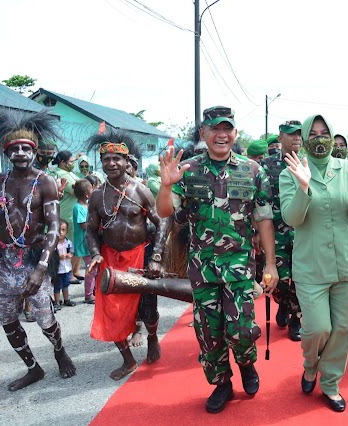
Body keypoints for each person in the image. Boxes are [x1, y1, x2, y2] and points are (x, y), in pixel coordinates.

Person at [157, 105, 279, 414]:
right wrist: (166, 184)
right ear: (204, 134)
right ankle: (222, 382)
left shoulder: (252, 170)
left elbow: (264, 219)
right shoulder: (188, 170)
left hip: (239, 266)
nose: (221, 134)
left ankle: (247, 364)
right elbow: (164, 212)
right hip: (202, 268)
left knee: (240, 328)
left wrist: (270, 264)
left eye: (227, 128)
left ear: (235, 133)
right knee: (208, 332)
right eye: (214, 129)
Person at [0, 108, 76, 391]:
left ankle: (59, 351)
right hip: (3, 259)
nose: (21, 153)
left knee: (45, 318)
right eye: (14, 149)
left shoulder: (45, 182)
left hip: (33, 258)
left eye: (26, 148)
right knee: (7, 318)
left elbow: (53, 227)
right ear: (7, 152)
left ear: (34, 150)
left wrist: (41, 268)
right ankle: (32, 368)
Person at [279, 114, 348, 413]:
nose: (320, 138)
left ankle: (331, 384)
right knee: (317, 328)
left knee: (342, 329)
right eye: (314, 133)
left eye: (325, 133)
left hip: (347, 263)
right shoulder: (292, 171)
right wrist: (303, 186)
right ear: (305, 137)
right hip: (312, 267)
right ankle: (311, 365)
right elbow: (292, 218)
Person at [86, 129, 165, 380]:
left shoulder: (140, 190)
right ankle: (128, 360)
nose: (110, 163)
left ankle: (152, 336)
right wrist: (96, 253)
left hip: (140, 256)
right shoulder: (97, 195)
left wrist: (156, 256)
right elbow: (89, 229)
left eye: (116, 159)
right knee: (112, 314)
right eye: (106, 159)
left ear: (126, 161)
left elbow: (161, 222)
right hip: (110, 260)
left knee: (148, 309)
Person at [261, 120, 303, 341]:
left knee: (300, 278)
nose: (296, 137)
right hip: (276, 233)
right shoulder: (266, 166)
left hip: (302, 233)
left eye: (299, 134)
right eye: (291, 134)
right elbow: (260, 200)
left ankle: (296, 318)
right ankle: (283, 303)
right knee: (277, 280)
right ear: (280, 138)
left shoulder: (309, 164)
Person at [52, 150, 81, 284]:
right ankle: (69, 274)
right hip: (67, 215)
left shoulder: (68, 173)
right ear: (62, 162)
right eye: (70, 161)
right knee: (71, 245)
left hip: (73, 213)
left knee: (78, 243)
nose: (72, 164)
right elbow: (78, 191)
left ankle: (75, 271)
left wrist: (76, 158)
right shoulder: (61, 175)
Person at [72, 179, 95, 304]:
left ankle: (93, 290)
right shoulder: (78, 207)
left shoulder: (86, 205)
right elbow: (84, 225)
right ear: (86, 194)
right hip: (85, 243)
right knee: (90, 269)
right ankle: (88, 295)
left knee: (94, 268)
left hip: (89, 242)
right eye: (91, 189)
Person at [53, 219, 75, 310]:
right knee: (57, 286)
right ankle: (57, 302)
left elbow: (72, 251)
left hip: (67, 268)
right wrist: (58, 256)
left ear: (67, 231)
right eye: (59, 230)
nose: (61, 233)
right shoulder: (54, 244)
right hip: (58, 270)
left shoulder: (68, 242)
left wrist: (70, 255)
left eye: (63, 230)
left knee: (66, 285)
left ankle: (66, 299)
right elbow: (51, 256)